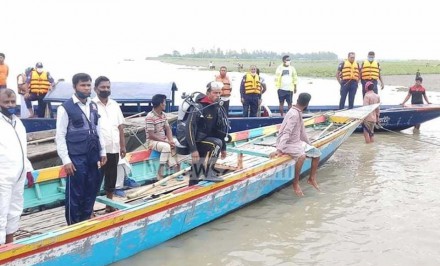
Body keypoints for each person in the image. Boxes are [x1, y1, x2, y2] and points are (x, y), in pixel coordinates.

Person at [55, 73, 107, 225]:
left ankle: (85, 221)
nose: (86, 88)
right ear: (75, 87)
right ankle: (72, 224)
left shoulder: (93, 105)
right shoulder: (65, 108)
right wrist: (66, 160)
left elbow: (98, 129)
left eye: (88, 85)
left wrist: (102, 151)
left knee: (91, 189)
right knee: (75, 193)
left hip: (92, 155)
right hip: (76, 157)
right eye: (82, 85)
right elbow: (60, 136)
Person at [176, 81, 229, 186]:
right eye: (215, 93)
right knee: (216, 143)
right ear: (208, 93)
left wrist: (224, 148)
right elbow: (189, 128)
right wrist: (193, 149)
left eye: (219, 93)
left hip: (204, 139)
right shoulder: (199, 107)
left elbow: (219, 130)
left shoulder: (217, 107)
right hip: (194, 140)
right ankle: (208, 173)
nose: (218, 95)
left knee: (198, 164)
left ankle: (192, 185)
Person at [270, 93, 321, 197]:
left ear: (297, 100)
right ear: (307, 104)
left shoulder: (298, 112)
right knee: (301, 156)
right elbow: (286, 132)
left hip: (295, 142)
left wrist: (309, 144)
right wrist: (279, 150)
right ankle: (295, 183)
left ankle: (311, 178)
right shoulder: (293, 114)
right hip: (287, 143)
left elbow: (302, 132)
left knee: (316, 153)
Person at [0, 88, 32, 244]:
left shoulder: (17, 122)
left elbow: (22, 148)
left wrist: (28, 169)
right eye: (6, 102)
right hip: (2, 177)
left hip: (18, 174)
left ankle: (10, 242)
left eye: (13, 101)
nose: (10, 105)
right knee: (1, 212)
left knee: (15, 209)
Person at [92, 76, 126, 213]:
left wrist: (122, 146)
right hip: (99, 150)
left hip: (114, 147)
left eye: (108, 87)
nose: (106, 90)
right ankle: (90, 208)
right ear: (96, 89)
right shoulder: (91, 105)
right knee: (95, 179)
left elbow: (120, 127)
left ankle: (109, 204)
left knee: (111, 177)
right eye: (102, 87)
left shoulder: (115, 105)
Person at [146, 94, 182, 180]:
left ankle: (178, 169)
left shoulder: (163, 115)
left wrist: (170, 140)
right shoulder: (150, 117)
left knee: (177, 143)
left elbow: (168, 129)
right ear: (161, 104)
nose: (165, 104)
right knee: (166, 146)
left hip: (163, 140)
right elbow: (151, 135)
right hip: (152, 141)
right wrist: (167, 142)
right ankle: (160, 173)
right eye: (165, 102)